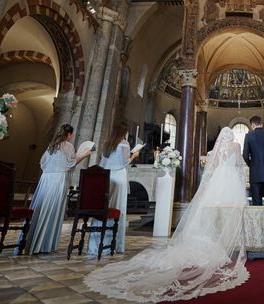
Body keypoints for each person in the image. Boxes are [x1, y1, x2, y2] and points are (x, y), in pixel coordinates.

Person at [84, 127, 248, 302]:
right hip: (230, 179)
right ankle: (230, 239)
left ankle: (96, 244)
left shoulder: (215, 149)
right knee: (231, 210)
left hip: (217, 179)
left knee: (211, 211)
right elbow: (239, 163)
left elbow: (212, 166)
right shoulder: (236, 146)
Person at [20, 124, 91, 254]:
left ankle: (29, 241)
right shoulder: (68, 146)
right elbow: (71, 163)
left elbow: (42, 162)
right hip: (58, 179)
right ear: (69, 134)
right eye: (72, 134)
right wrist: (84, 155)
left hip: (46, 179)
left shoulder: (51, 145)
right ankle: (45, 244)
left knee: (40, 208)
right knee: (53, 209)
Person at [87, 123, 139, 256]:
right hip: (119, 176)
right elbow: (125, 162)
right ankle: (115, 244)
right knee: (118, 207)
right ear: (123, 133)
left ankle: (95, 243)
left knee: (104, 206)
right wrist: (134, 155)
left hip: (107, 176)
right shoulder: (124, 143)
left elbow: (102, 164)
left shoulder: (107, 143)